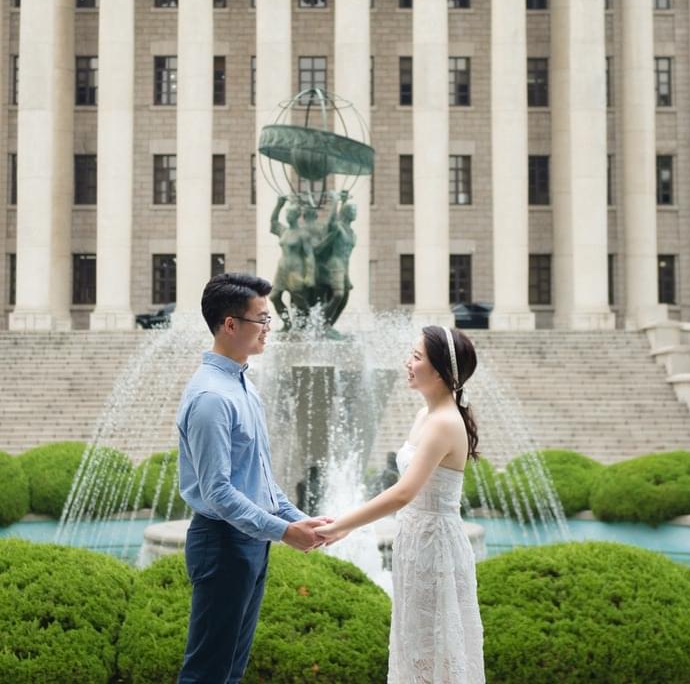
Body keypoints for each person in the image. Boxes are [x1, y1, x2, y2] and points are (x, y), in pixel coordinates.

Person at [175, 272, 331, 684]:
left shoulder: (243, 385)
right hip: (222, 542)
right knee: (207, 672)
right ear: (230, 325)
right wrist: (283, 532)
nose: (269, 329)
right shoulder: (212, 397)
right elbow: (219, 492)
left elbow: (258, 475)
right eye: (262, 319)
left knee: (231, 670)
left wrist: (299, 519)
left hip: (248, 541)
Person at [316, 325, 485, 683]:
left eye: (417, 356)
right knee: (413, 643)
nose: (408, 362)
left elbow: (403, 492)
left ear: (439, 371)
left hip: (436, 547)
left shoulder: (442, 422)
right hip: (414, 541)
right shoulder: (426, 415)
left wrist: (341, 525)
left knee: (434, 645)